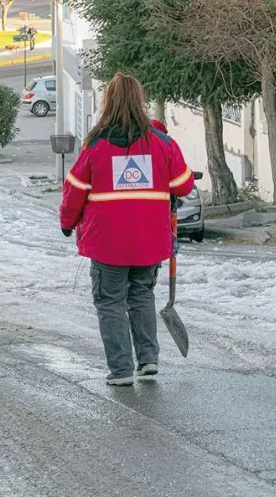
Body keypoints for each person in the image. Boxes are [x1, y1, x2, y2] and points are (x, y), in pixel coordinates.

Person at [59, 73, 195, 387]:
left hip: (107, 243)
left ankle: (120, 370)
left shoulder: (95, 144)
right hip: (149, 240)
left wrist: (68, 223)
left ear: (108, 101)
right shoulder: (161, 142)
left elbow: (75, 189)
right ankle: (148, 360)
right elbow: (183, 184)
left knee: (110, 302)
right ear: (140, 100)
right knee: (141, 296)